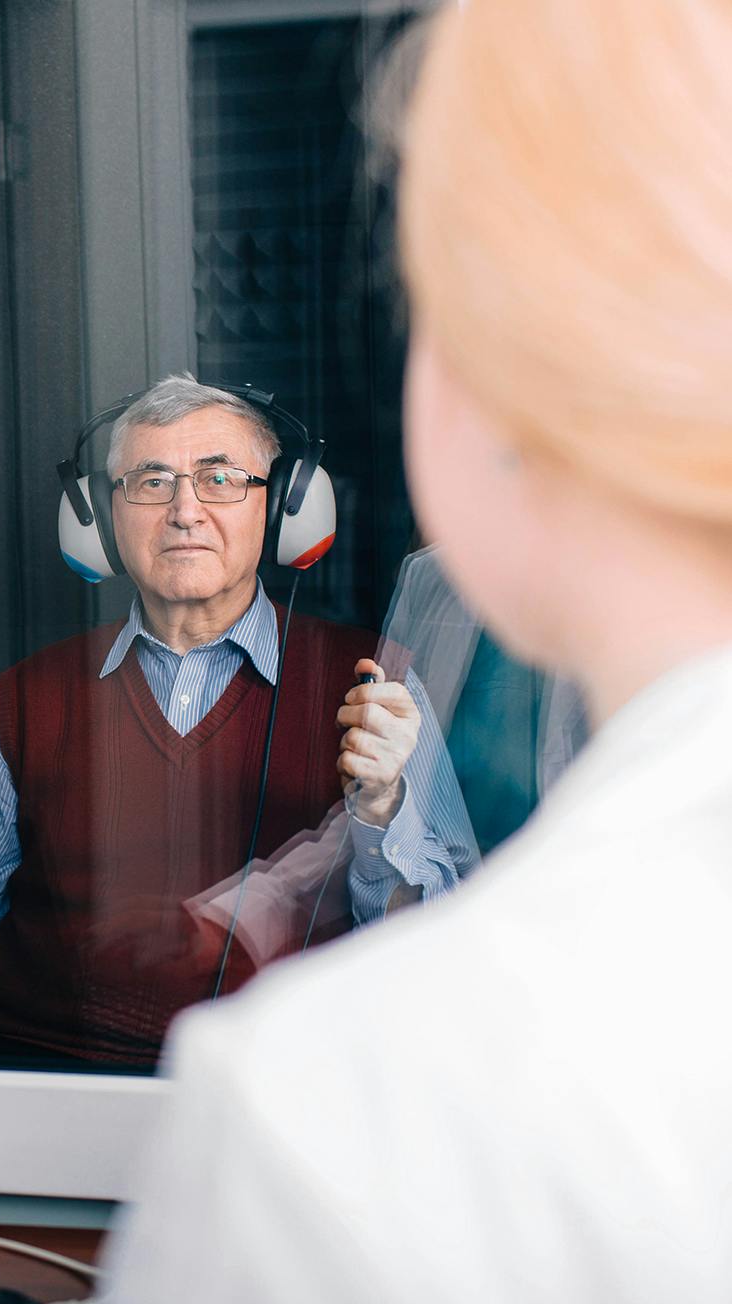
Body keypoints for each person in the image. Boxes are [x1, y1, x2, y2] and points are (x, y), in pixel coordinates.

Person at [98, 0, 732, 1297]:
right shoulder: (429, 599)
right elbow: (387, 824)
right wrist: (305, 866)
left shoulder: (337, 1122)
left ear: (493, 376)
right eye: (151, 483)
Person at [0, 374, 476, 1063]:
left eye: (222, 478)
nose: (185, 511)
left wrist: (383, 806)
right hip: (44, 1076)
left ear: (286, 511)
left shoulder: (375, 682)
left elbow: (443, 945)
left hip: (280, 1090)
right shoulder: (34, 694)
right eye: (150, 481)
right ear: (101, 519)